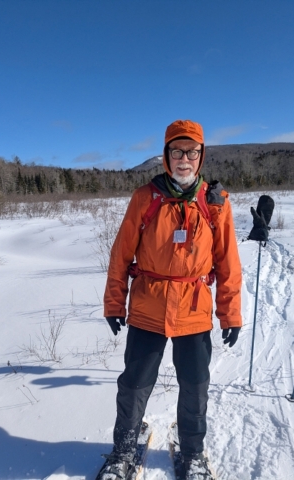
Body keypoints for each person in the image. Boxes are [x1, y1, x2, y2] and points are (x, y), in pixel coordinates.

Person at [102, 119, 242, 479]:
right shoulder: (144, 198)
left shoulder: (215, 203)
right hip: (149, 306)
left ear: (201, 156)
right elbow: (121, 255)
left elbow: (228, 262)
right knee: (134, 384)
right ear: (165, 155)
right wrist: (115, 303)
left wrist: (231, 314)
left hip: (194, 309)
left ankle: (192, 452)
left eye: (191, 151)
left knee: (195, 386)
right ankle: (123, 450)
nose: (184, 158)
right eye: (177, 151)